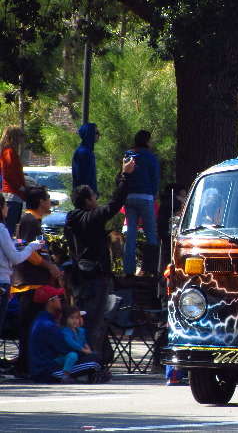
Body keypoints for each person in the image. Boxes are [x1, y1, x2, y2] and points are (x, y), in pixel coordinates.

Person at [66, 157, 135, 354]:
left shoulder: (71, 220)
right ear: (88, 201)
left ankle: (94, 356)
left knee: (80, 320)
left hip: (78, 277)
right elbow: (116, 202)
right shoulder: (92, 217)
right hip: (94, 277)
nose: (97, 197)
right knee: (94, 321)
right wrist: (125, 175)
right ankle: (90, 362)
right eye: (94, 196)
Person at [10, 185, 63, 378]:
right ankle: (23, 366)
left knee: (33, 325)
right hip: (29, 282)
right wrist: (49, 267)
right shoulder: (29, 220)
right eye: (48, 198)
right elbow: (27, 251)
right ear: (41, 201)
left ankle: (29, 362)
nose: (50, 201)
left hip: (39, 282)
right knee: (28, 326)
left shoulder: (37, 221)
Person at [27, 286, 106, 383]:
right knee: (94, 359)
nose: (59, 299)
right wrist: (86, 353)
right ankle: (69, 376)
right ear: (50, 302)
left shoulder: (42, 320)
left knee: (90, 356)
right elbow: (65, 349)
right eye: (56, 297)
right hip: (47, 371)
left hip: (45, 367)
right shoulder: (48, 325)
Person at [0, 196, 44, 345]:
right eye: (5, 205)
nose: (8, 208)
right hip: (2, 281)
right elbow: (16, 258)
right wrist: (33, 245)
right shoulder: (1, 229)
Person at [123, 130, 160, 276]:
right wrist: (155, 192)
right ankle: (151, 269)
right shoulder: (150, 157)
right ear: (146, 140)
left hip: (129, 196)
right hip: (145, 196)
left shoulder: (128, 155)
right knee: (150, 233)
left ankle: (128, 270)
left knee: (131, 234)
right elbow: (154, 177)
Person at [0, 125, 28, 235]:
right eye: (21, 135)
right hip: (11, 193)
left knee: (11, 225)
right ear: (15, 136)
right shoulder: (8, 152)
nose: (22, 138)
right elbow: (8, 173)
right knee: (9, 227)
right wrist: (20, 187)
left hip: (16, 194)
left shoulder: (11, 151)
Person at [72, 123, 100, 194]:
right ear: (89, 133)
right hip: (85, 197)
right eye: (96, 132)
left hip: (89, 195)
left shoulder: (89, 151)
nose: (98, 135)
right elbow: (82, 177)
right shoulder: (83, 152)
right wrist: (88, 195)